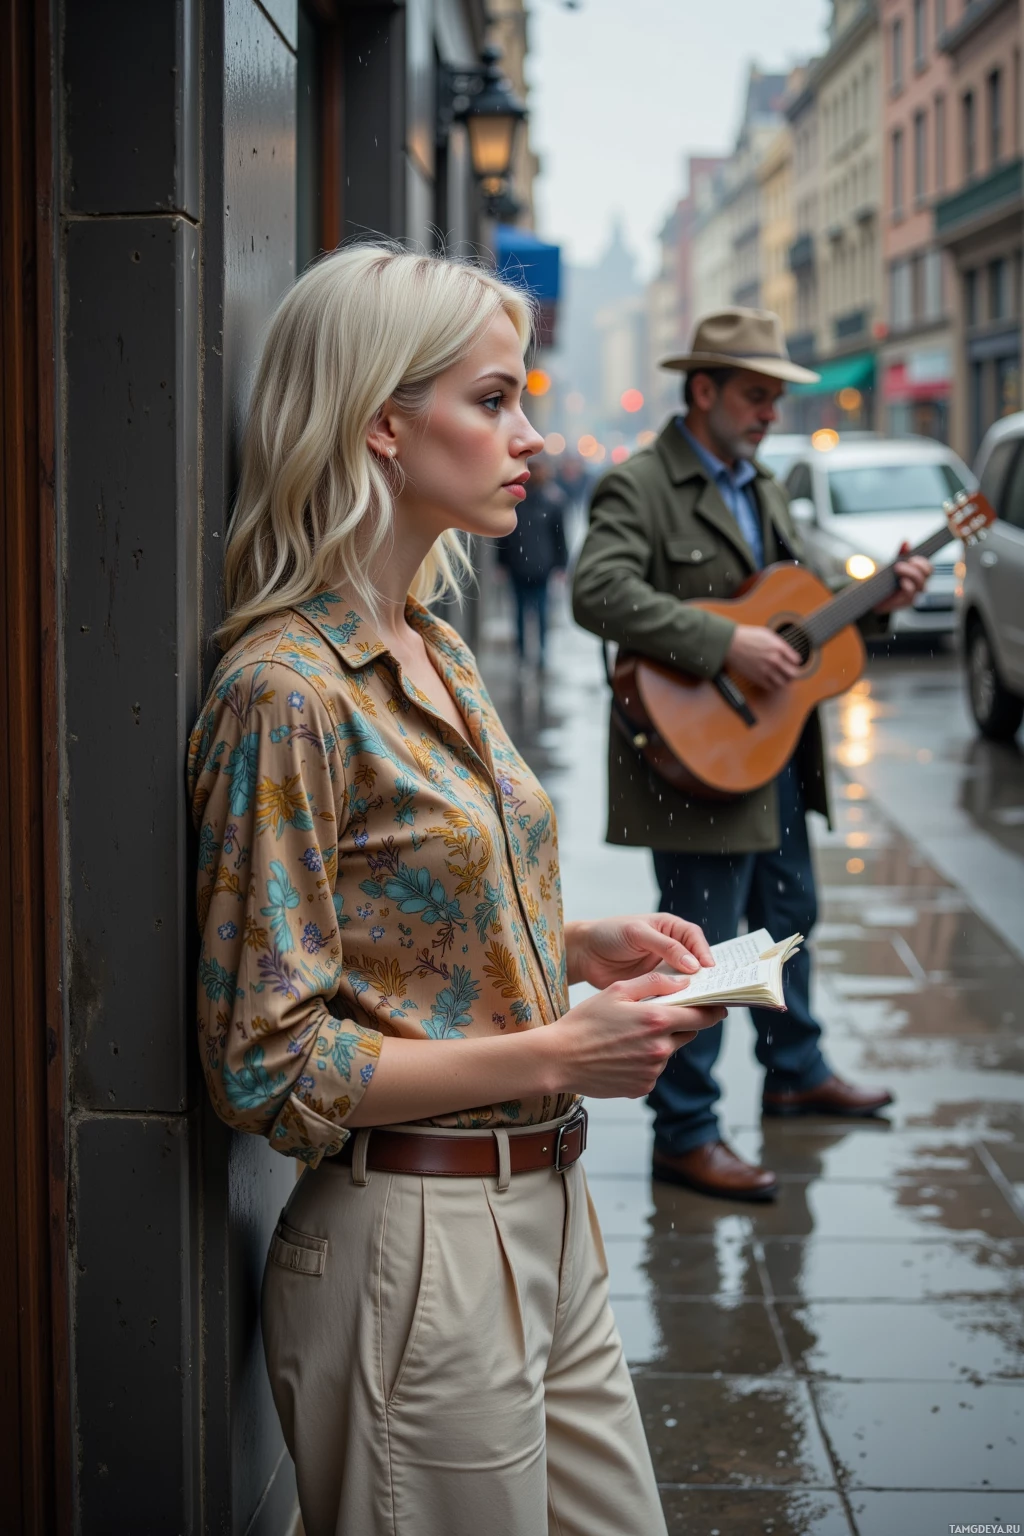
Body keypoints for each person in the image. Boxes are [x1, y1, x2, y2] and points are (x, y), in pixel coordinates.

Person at [187, 246, 725, 1536]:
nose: (529, 434)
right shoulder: (285, 692)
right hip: (411, 1243)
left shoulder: (426, 637)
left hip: (542, 1206)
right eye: (492, 400)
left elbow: (412, 916)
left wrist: (576, 942)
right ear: (382, 420)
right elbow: (265, 1063)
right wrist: (556, 1047)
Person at [572, 307, 931, 1203]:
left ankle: (796, 1073)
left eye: (777, 397)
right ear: (704, 391)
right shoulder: (644, 484)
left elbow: (806, 606)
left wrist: (883, 598)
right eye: (757, 394)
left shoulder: (762, 486)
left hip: (771, 757)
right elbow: (598, 590)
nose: (772, 411)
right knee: (706, 954)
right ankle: (686, 1133)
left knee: (789, 918)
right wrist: (720, 645)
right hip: (697, 761)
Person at [495, 455, 568, 666]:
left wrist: (561, 564)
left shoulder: (551, 502)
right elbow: (505, 535)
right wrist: (502, 562)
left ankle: (537, 653)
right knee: (524, 612)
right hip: (525, 566)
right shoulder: (521, 502)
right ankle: (525, 653)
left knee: (537, 612)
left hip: (537, 567)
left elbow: (559, 536)